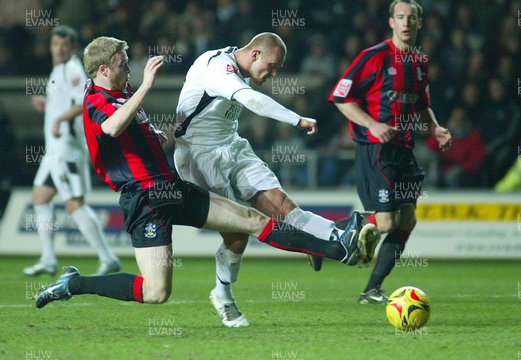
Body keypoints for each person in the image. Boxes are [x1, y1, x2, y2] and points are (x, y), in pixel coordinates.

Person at [35, 36, 374, 315]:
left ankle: (336, 248)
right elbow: (110, 126)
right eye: (124, 64)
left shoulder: (122, 93)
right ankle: (76, 284)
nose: (130, 68)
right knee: (156, 292)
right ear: (104, 69)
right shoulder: (96, 98)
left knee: (253, 221)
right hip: (144, 200)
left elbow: (134, 131)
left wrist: (156, 133)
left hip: (171, 188)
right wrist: (147, 85)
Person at [173, 32, 380, 326]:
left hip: (232, 146)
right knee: (237, 233)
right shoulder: (216, 67)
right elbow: (252, 101)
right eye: (272, 66)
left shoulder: (240, 66)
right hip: (198, 157)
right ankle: (223, 294)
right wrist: (297, 119)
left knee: (284, 206)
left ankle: (335, 238)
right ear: (255, 54)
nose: (273, 73)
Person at [324, 0, 452, 304]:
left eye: (412, 18)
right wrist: (372, 124)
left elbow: (421, 104)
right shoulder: (374, 56)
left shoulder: (420, 61)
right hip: (376, 149)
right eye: (400, 17)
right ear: (391, 22)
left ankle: (371, 290)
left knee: (407, 222)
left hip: (405, 151)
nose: (406, 22)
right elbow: (341, 97)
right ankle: (324, 240)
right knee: (386, 223)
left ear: (420, 23)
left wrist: (435, 128)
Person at [24, 25, 120, 277]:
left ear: (73, 47)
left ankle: (107, 258)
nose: (60, 49)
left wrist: (58, 120)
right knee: (40, 198)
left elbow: (83, 102)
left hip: (67, 147)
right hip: (54, 150)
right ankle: (47, 258)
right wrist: (49, 107)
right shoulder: (58, 70)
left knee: (73, 203)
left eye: (64, 44)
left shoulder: (74, 68)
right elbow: (66, 102)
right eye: (56, 44)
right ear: (51, 46)